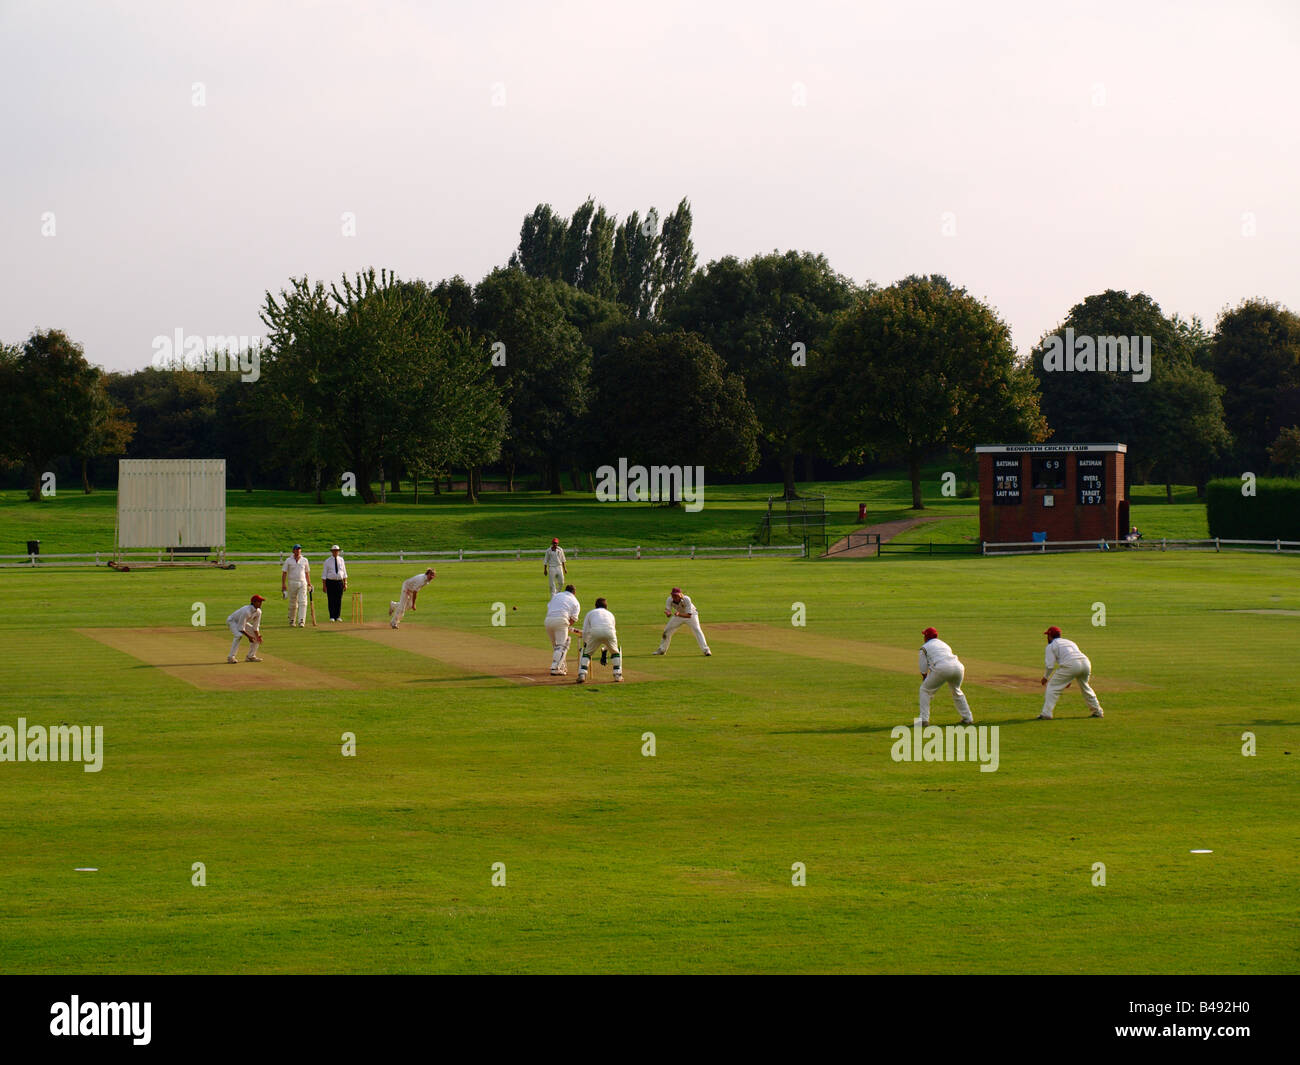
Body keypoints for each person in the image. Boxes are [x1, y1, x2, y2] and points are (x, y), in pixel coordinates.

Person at [1036, 626, 1104, 719]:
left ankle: (1046, 714)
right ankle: (1098, 711)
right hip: (1085, 662)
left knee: (1052, 686)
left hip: (1071, 665)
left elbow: (1050, 666)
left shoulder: (1051, 646)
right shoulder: (1070, 642)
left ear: (1050, 636)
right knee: (1085, 686)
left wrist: (1045, 677)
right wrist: (1068, 679)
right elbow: (1073, 659)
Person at [917, 626, 974, 726]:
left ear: (926, 637)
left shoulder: (924, 648)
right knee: (956, 691)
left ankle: (923, 720)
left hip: (942, 668)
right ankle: (968, 718)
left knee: (924, 690)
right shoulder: (944, 644)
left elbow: (923, 668)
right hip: (958, 667)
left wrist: (925, 677)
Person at [576, 597, 623, 684]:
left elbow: (586, 630)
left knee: (587, 653)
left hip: (595, 632)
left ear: (595, 606)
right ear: (606, 606)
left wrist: (586, 642)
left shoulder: (590, 613)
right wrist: (605, 650)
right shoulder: (610, 614)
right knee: (615, 652)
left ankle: (582, 674)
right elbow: (611, 632)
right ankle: (617, 675)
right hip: (610, 632)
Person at [654, 587, 711, 656]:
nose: (674, 596)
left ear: (680, 594)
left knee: (697, 630)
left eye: (676, 595)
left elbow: (689, 615)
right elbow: (668, 610)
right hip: (679, 615)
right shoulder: (669, 599)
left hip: (692, 615)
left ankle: (706, 650)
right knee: (667, 631)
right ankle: (662, 650)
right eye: (673, 595)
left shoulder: (686, 599)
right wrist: (668, 613)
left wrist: (679, 614)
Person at [545, 584, 581, 676]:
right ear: (574, 592)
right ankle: (555, 668)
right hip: (561, 621)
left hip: (548, 621)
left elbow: (550, 607)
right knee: (563, 645)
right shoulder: (575, 601)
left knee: (556, 647)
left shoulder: (556, 596)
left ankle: (561, 666)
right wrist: (566, 626)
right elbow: (573, 619)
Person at [226, 595, 265, 662]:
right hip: (232, 621)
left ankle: (250, 656)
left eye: (261, 602)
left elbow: (255, 627)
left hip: (242, 622)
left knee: (256, 637)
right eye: (259, 602)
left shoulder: (258, 612)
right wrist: (249, 637)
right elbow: (241, 628)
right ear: (254, 602)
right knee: (238, 635)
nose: (261, 603)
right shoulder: (246, 611)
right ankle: (231, 657)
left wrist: (258, 636)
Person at [281, 544, 311, 627]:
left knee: (303, 602)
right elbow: (284, 573)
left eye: (299, 549)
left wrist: (309, 583)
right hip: (292, 583)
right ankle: (292, 620)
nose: (298, 551)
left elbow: (307, 573)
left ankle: (301, 621)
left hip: (302, 583)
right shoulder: (288, 560)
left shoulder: (304, 560)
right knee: (293, 602)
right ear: (293, 551)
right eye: (296, 549)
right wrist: (283, 584)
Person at [322, 544, 348, 622]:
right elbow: (324, 574)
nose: (336, 552)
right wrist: (324, 585)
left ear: (339, 552)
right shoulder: (327, 561)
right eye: (334, 551)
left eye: (337, 551)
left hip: (339, 582)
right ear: (332, 552)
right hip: (330, 582)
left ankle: (338, 616)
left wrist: (345, 583)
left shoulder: (341, 560)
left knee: (338, 599)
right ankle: (332, 616)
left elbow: (344, 572)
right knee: (331, 599)